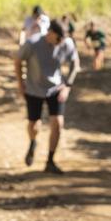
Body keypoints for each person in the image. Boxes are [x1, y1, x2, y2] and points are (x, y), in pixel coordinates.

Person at [14, 18, 80, 174]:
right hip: (33, 89)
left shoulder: (66, 43)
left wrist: (67, 86)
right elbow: (17, 61)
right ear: (50, 33)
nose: (61, 43)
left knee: (58, 123)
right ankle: (32, 142)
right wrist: (20, 83)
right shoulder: (32, 43)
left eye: (63, 40)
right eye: (58, 39)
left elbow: (75, 64)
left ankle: (50, 161)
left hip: (55, 88)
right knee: (34, 125)